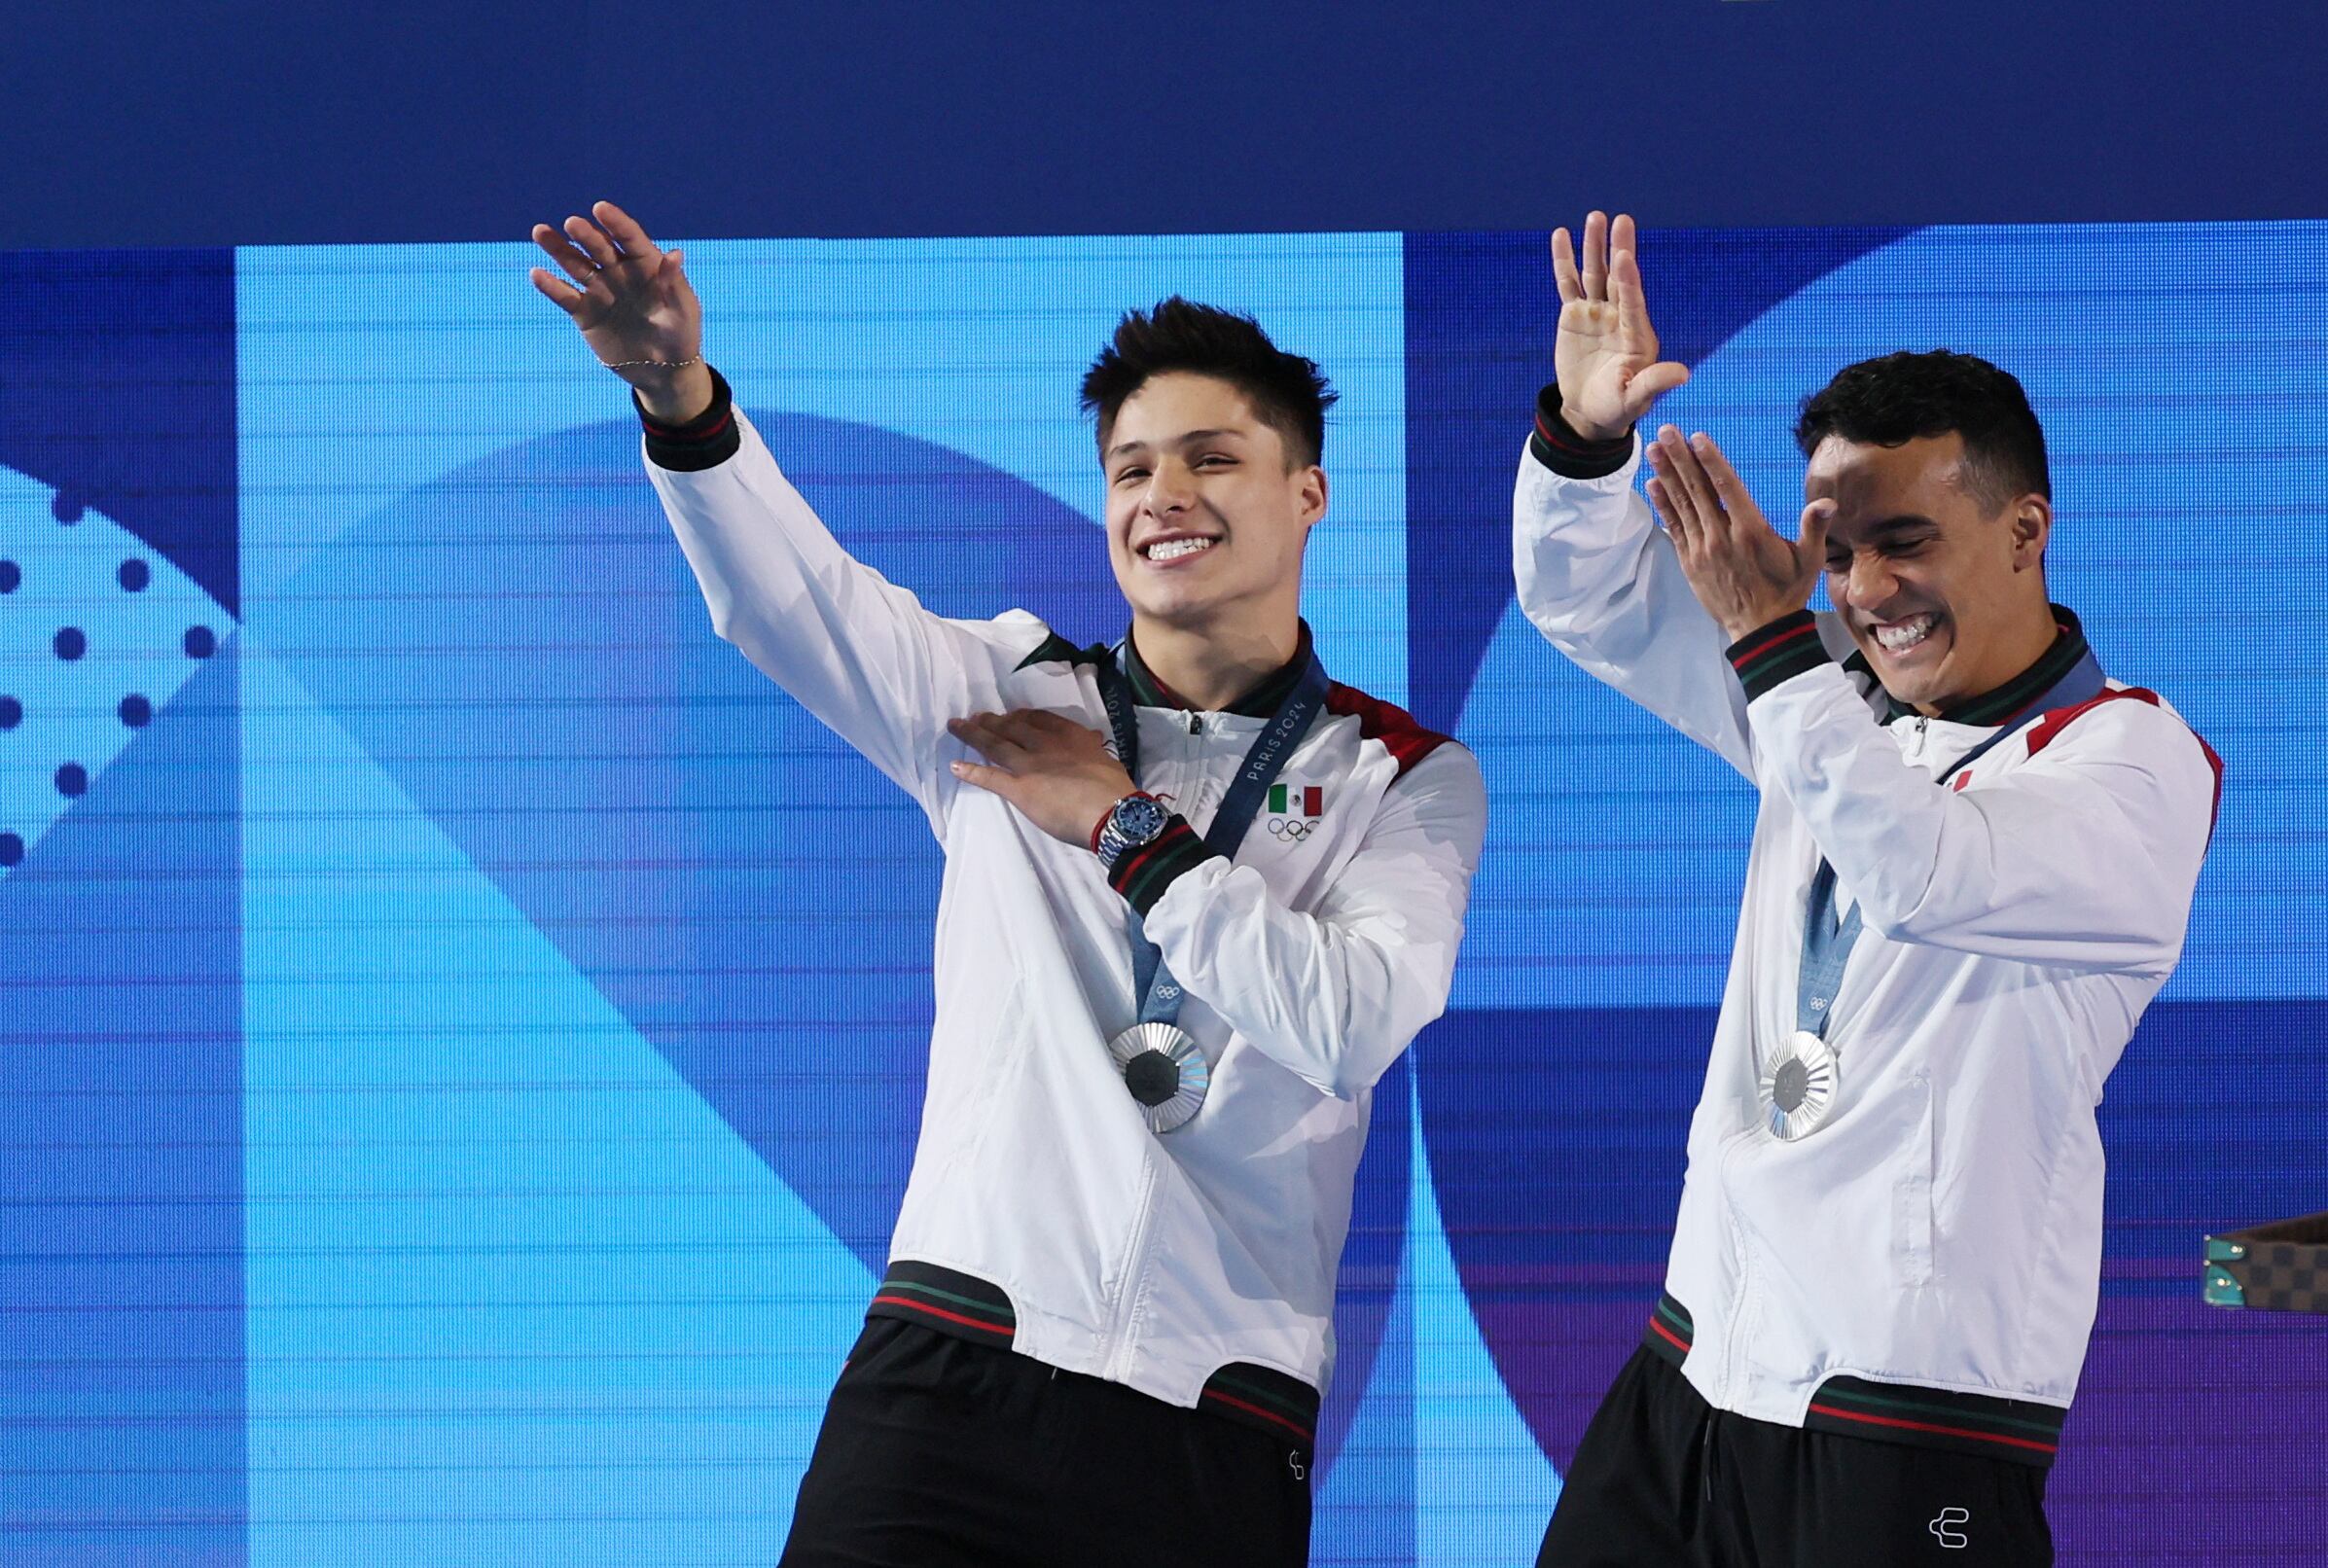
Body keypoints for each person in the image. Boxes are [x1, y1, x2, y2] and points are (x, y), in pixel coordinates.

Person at [527, 201, 1485, 1567]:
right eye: (1131, 468)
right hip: (956, 1361)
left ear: (1307, 492)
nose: (1164, 496)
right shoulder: (1002, 693)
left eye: (1212, 458)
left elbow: (1349, 1020)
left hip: (1210, 1404)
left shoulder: (1406, 777)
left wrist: (1124, 832)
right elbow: (789, 603)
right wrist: (677, 397)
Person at [1516, 212, 2221, 1567]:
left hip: (1906, 1406)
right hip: (1696, 1359)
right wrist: (1584, 444)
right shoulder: (1825, 697)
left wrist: (1777, 644)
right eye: (1833, 552)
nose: (1863, 590)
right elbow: (1587, 605)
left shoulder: (2130, 758)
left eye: (1902, 541)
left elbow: (1922, 870)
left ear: (2025, 529)